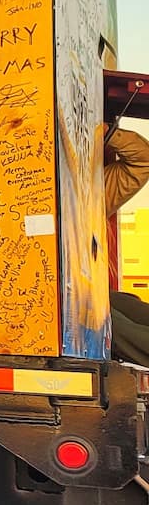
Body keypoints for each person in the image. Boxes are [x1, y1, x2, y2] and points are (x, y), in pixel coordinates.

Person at [104, 124, 149, 365]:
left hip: (85, 295)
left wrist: (107, 133)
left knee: (122, 310)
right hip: (65, 302)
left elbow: (142, 160)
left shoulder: (89, 190)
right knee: (110, 319)